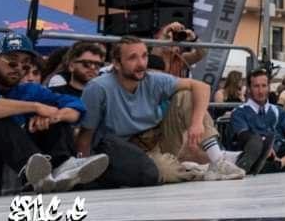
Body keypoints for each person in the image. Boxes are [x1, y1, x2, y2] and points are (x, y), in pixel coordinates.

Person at [77, 36, 244, 184]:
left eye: (144, 56)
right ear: (116, 63)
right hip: (125, 150)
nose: (141, 63)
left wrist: (196, 123)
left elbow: (201, 87)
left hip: (157, 140)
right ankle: (194, 170)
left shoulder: (153, 79)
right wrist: (82, 171)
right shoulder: (98, 88)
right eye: (132, 58)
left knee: (186, 94)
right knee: (163, 172)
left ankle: (218, 161)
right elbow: (86, 134)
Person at [0, 33, 110, 192]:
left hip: (12, 163)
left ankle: (62, 166)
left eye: (26, 65)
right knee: (1, 120)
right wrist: (36, 107)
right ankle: (34, 174)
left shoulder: (29, 90)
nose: (19, 69)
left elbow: (76, 108)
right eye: (13, 62)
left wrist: (54, 116)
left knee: (54, 115)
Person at [229, 69, 285, 174]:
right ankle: (283, 161)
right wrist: (264, 146)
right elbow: (244, 135)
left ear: (269, 87)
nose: (260, 91)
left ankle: (280, 163)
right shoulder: (239, 112)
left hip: (281, 152)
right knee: (258, 150)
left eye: (264, 86)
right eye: (256, 86)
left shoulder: (279, 110)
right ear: (249, 89)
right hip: (260, 154)